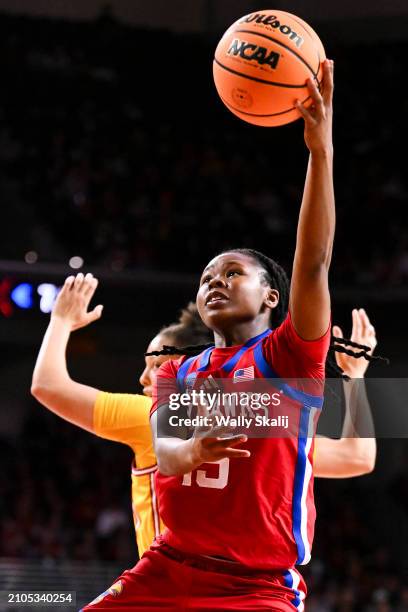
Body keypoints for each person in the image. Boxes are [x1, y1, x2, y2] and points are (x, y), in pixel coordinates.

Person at [82, 58, 340, 611]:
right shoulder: (178, 369)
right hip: (168, 568)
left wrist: (321, 154)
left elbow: (314, 263)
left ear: (272, 296)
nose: (214, 283)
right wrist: (194, 446)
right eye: (206, 278)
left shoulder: (289, 355)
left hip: (256, 586)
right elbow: (169, 456)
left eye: (232, 274)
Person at [31, 272, 212, 558]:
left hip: (170, 589)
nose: (143, 378)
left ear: (190, 368)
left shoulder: (154, 418)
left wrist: (61, 321)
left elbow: (47, 386)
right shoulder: (240, 416)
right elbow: (311, 460)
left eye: (157, 365)